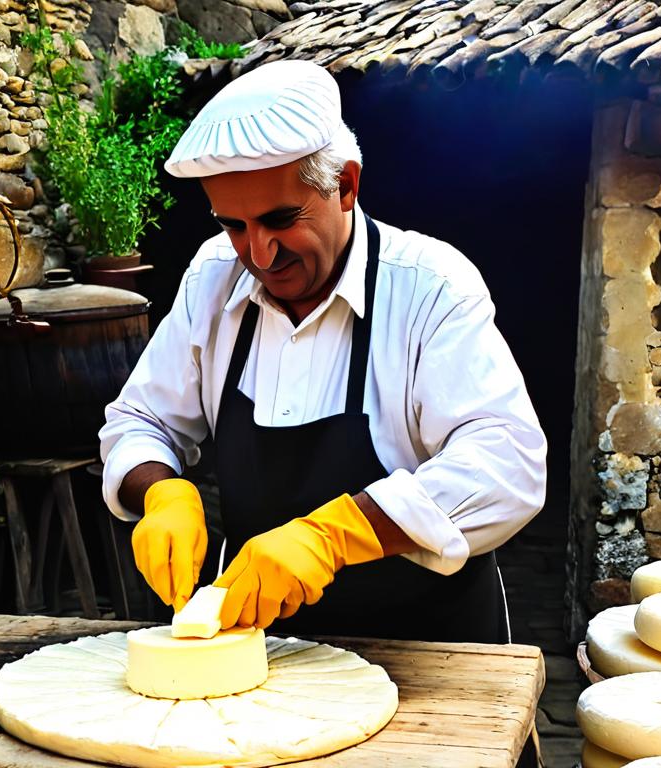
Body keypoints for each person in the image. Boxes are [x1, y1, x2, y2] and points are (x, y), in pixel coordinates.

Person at [98, 59, 546, 645]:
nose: (258, 253)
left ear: (346, 185)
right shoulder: (212, 278)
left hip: (428, 654)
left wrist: (335, 534)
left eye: (280, 219)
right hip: (265, 654)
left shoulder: (429, 286)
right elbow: (141, 420)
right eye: (234, 225)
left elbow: (507, 462)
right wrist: (160, 491)